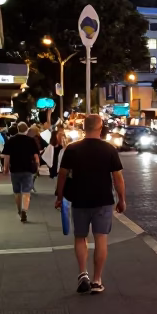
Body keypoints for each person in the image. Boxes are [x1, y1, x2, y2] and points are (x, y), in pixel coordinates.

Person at [56, 114, 125, 295]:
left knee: (80, 237)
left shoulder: (72, 149)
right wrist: (122, 199)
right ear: (100, 127)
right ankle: (97, 280)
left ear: (84, 128)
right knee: (101, 238)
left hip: (79, 199)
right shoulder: (109, 149)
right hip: (103, 200)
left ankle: (82, 274)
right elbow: (118, 178)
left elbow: (62, 174)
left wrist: (59, 196)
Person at [2, 120, 41, 222]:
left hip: (15, 169)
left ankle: (19, 210)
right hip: (28, 169)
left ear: (18, 129)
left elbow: (7, 156)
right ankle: (25, 210)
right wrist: (37, 166)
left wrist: (5, 168)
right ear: (27, 129)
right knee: (26, 191)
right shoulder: (31, 140)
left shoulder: (11, 140)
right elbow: (36, 156)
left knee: (17, 192)